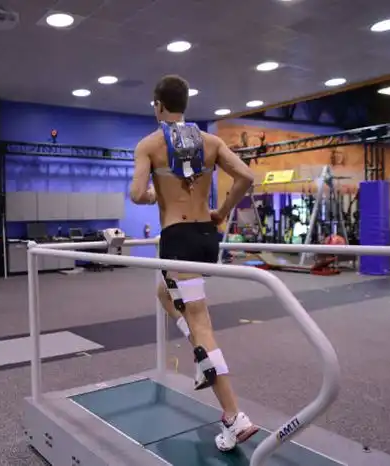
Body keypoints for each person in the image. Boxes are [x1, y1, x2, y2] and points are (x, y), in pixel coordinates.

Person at [129, 75, 257, 452]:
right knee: (164, 293)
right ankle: (203, 360)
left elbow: (136, 194)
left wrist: (153, 194)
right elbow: (246, 176)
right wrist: (222, 211)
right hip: (205, 236)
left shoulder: (149, 145)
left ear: (158, 105)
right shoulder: (210, 142)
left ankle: (233, 416)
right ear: (184, 104)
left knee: (200, 321)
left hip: (179, 237)